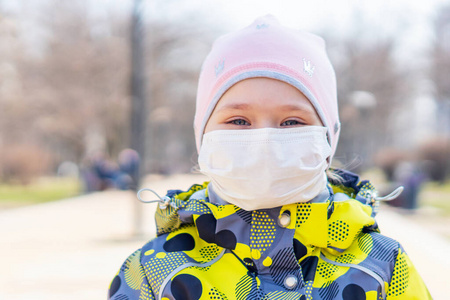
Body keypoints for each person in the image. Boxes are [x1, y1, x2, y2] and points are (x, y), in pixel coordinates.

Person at [108, 15, 431, 299]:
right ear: (203, 135)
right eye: (238, 121)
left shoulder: (383, 266)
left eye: (292, 122)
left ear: (328, 138)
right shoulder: (155, 272)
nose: (263, 140)